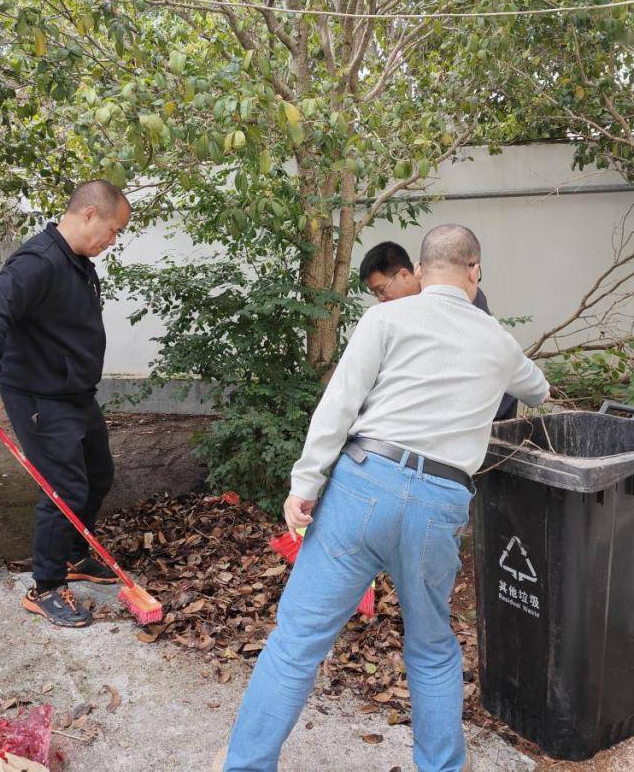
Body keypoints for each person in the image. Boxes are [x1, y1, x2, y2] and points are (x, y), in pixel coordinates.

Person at [216, 224, 550, 771]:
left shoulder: (386, 317)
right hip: (440, 503)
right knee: (431, 648)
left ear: (419, 273)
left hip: (364, 484)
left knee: (296, 642)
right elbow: (538, 390)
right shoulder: (498, 338)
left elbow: (340, 404)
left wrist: (305, 484)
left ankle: (247, 766)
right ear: (475, 271)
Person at [0, 180, 131, 628]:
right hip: (40, 397)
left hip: (75, 394)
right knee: (64, 491)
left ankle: (76, 554)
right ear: (90, 214)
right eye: (114, 230)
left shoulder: (75, 260)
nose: (113, 241)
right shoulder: (37, 261)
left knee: (98, 474)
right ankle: (47, 587)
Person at [359, 239, 519, 420]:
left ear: (404, 274)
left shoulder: (453, 294)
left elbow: (478, 354)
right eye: (376, 294)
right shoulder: (397, 314)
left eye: (382, 290)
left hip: (489, 405)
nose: (381, 299)